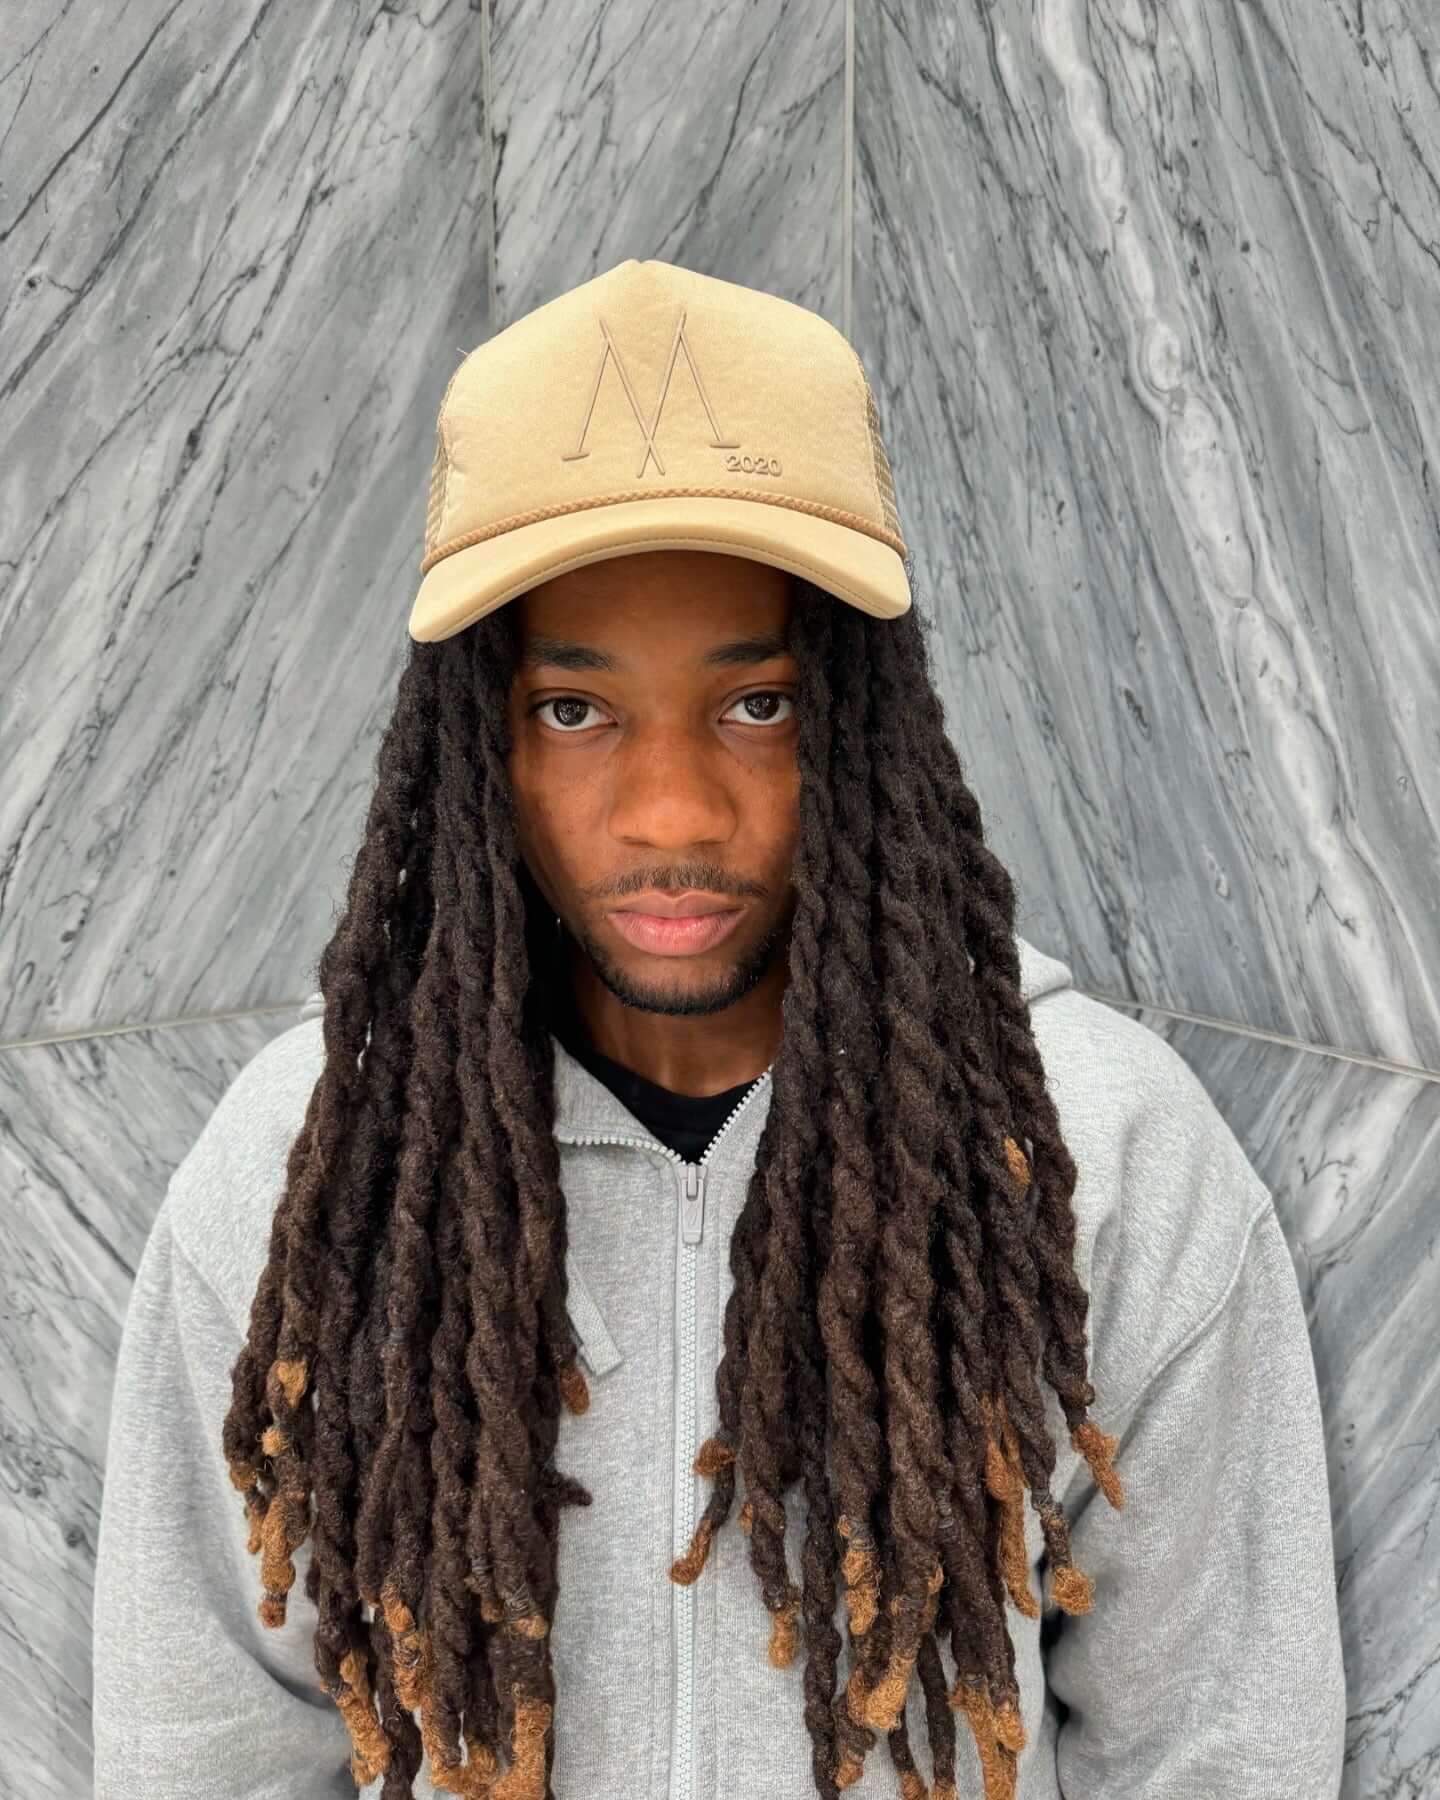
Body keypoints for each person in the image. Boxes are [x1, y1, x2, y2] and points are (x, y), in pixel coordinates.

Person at [92, 260, 1345, 1800]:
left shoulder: (1102, 1153)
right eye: (574, 711)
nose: (674, 813)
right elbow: (199, 1750)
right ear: (477, 738)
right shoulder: (313, 1172)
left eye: (759, 704)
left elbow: (1221, 1746)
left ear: (865, 716)